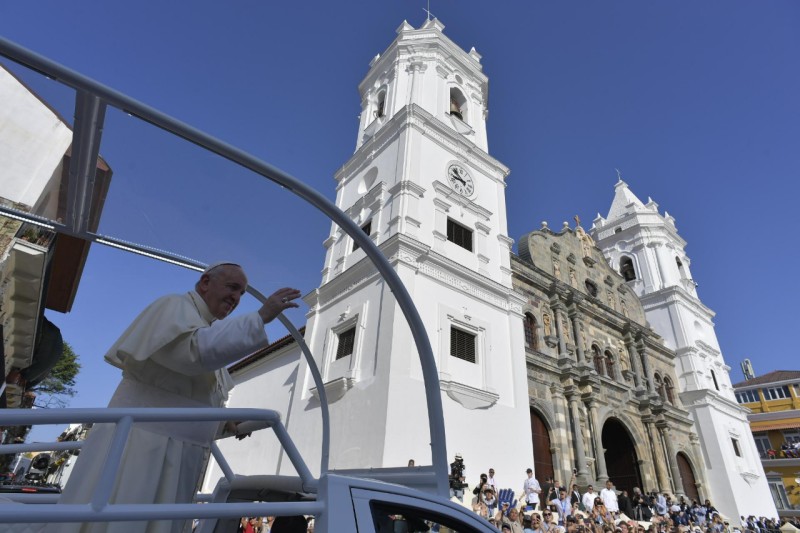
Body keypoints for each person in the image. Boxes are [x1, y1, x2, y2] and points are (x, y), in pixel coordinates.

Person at [57, 263, 301, 533]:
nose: (236, 298)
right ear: (205, 282)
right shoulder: (174, 307)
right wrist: (261, 317)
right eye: (232, 287)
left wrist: (223, 423)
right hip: (142, 447)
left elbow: (183, 395)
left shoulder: (204, 327)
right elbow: (193, 355)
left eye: (241, 293)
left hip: (175, 453)